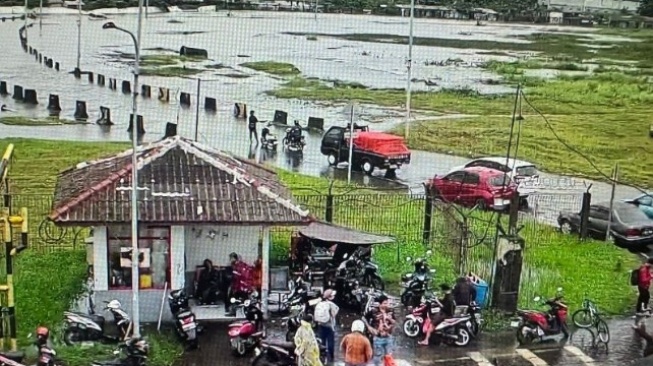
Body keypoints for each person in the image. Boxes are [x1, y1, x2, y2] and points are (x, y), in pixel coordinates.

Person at [363, 295, 396, 366]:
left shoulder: (390, 311)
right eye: (384, 303)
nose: (386, 305)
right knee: (377, 356)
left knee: (389, 356)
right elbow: (364, 318)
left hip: (388, 337)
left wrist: (390, 321)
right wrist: (369, 328)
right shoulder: (373, 311)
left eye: (387, 303)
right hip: (378, 338)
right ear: (380, 304)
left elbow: (394, 321)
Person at [315, 289, 339, 363]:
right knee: (330, 344)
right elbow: (334, 314)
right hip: (329, 327)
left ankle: (322, 359)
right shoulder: (331, 304)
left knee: (322, 343)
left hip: (321, 326)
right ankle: (331, 360)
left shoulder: (319, 303)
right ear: (330, 297)